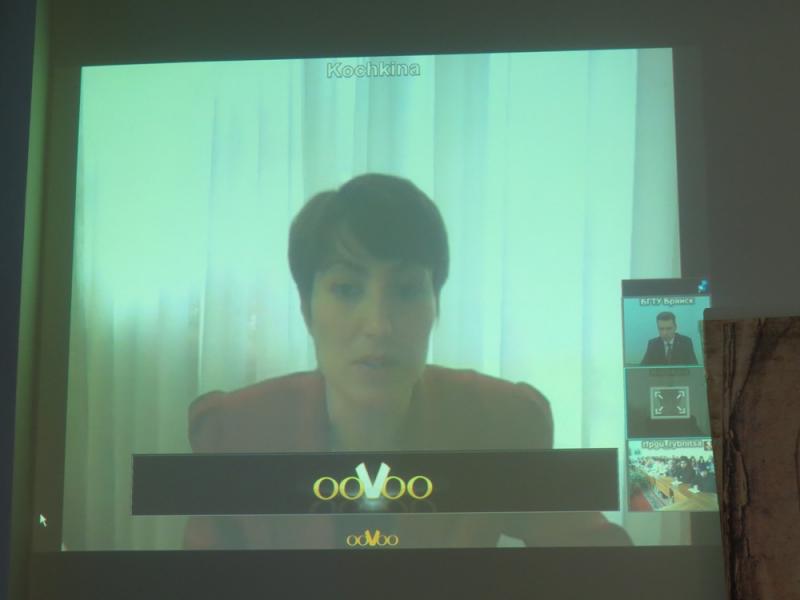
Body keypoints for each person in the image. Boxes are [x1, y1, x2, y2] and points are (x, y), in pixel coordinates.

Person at [185, 173, 629, 549]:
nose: (379, 325)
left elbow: (602, 566)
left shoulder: (500, 420)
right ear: (306, 309)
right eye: (347, 289)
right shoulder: (236, 431)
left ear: (436, 305)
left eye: (407, 290)